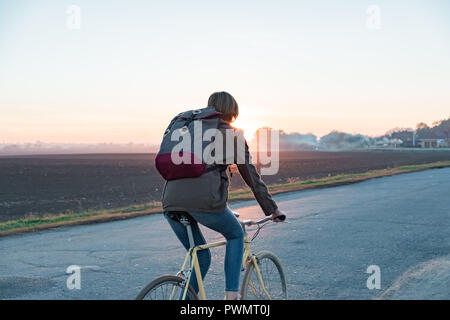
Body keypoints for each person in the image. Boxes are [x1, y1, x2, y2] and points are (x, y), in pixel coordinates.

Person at [162, 91, 285, 300]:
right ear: (233, 111)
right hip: (204, 202)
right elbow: (252, 178)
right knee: (236, 234)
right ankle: (232, 295)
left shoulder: (191, 130)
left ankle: (185, 300)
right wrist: (272, 209)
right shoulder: (230, 134)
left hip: (170, 202)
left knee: (200, 256)